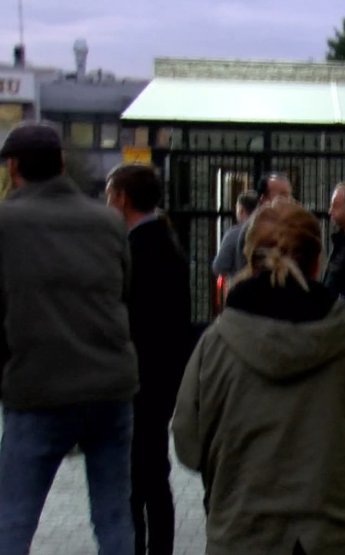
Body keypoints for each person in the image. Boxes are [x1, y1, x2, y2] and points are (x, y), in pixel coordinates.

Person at [172, 202, 345, 554]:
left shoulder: (217, 344)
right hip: (337, 529)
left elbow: (188, 442)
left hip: (244, 530)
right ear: (317, 262)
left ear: (250, 260)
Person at [0, 123, 138, 555]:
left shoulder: (6, 223)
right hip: (111, 386)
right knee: (114, 515)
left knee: (14, 518)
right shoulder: (107, 221)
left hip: (37, 387)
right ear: (62, 164)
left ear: (13, 167)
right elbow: (124, 289)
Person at [105, 164, 192, 555]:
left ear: (122, 197)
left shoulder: (138, 248)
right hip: (160, 377)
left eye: (109, 193)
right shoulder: (165, 241)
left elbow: (130, 317)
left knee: (140, 478)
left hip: (139, 379)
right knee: (152, 473)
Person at [231, 172, 293, 275]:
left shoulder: (291, 227)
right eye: (282, 195)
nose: (288, 201)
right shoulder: (251, 230)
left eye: (289, 195)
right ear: (263, 199)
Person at [212, 190, 258, 278]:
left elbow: (219, 267)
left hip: (240, 286)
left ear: (241, 210)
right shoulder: (267, 232)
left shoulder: (233, 234)